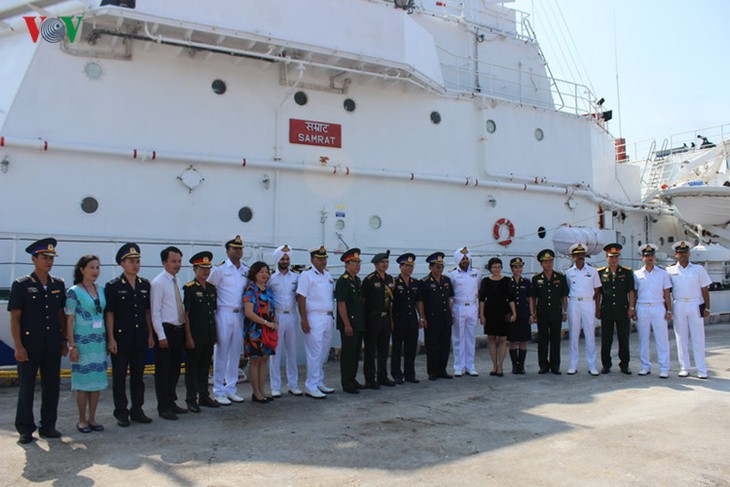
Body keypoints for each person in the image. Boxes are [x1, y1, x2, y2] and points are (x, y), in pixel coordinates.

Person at [8, 238, 67, 444]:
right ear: (34, 259)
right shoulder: (21, 285)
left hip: (51, 344)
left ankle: (48, 425)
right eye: (44, 257)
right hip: (29, 346)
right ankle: (25, 428)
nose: (48, 262)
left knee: (52, 387)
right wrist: (18, 346)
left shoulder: (58, 284)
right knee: (27, 387)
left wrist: (64, 340)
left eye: (51, 258)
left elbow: (60, 314)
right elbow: (15, 318)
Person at [104, 243, 154, 427]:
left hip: (139, 337)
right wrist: (111, 338)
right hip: (121, 338)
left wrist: (150, 334)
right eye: (131, 261)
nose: (135, 265)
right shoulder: (113, 286)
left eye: (138, 261)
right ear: (122, 263)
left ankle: (137, 409)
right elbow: (110, 314)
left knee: (138, 377)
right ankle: (121, 412)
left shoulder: (144, 285)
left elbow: (146, 311)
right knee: (119, 377)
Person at [66, 255, 108, 433]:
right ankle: (82, 419)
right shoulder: (73, 291)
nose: (95, 271)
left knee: (96, 382)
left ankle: (93, 418)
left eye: (97, 267)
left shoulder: (101, 289)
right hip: (82, 343)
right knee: (83, 383)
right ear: (82, 269)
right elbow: (69, 320)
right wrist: (72, 346)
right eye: (91, 267)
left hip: (98, 342)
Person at [207, 235, 248, 405]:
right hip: (223, 313)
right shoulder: (220, 270)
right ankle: (218, 390)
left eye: (240, 248)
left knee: (234, 353)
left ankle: (231, 389)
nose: (238, 251)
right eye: (234, 248)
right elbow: (209, 289)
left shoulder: (246, 270)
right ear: (227, 250)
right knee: (221, 353)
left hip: (240, 314)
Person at [150, 246, 188, 420]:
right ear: (164, 262)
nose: (177, 264)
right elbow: (155, 311)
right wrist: (161, 336)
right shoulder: (158, 283)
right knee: (163, 371)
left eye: (179, 261)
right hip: (166, 331)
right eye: (173, 261)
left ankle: (171, 401)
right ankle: (163, 406)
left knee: (174, 370)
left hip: (178, 329)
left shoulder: (176, 281)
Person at [666, 240, 712, 379]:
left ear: (689, 254)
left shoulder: (698, 269)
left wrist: (707, 308)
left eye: (685, 252)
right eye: (680, 253)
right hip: (679, 304)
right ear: (675, 255)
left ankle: (701, 369)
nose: (683, 255)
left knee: (698, 338)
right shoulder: (670, 270)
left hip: (695, 304)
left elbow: (705, 289)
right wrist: (668, 309)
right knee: (681, 338)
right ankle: (684, 367)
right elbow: (666, 292)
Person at [296, 246, 336, 399]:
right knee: (314, 353)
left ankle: (319, 381)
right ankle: (310, 385)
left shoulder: (327, 275)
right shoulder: (307, 275)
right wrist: (304, 319)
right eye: (319, 258)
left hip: (327, 317)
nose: (322, 261)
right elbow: (301, 297)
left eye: (324, 258)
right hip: (313, 317)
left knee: (323, 352)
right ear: (312, 259)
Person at [183, 251, 220, 413]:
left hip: (208, 335)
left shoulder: (212, 288)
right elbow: (186, 314)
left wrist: (215, 334)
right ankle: (191, 399)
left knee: (205, 368)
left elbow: (213, 312)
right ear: (194, 269)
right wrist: (188, 337)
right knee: (192, 369)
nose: (205, 271)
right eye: (201, 268)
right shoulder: (189, 289)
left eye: (207, 268)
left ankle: (204, 396)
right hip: (195, 336)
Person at [267, 244, 303, 397]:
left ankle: (293, 384)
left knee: (291, 352)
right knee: (275, 353)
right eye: (282, 258)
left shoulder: (296, 277)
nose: (285, 260)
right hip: (277, 317)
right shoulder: (270, 278)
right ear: (277, 260)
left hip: (292, 315)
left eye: (287, 258)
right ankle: (275, 386)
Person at [633, 243, 672, 379]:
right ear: (642, 258)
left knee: (662, 339)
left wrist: (669, 310)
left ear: (654, 257)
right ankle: (645, 366)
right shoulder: (636, 274)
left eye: (651, 255)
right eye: (646, 256)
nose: (649, 258)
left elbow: (666, 293)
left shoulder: (662, 273)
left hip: (658, 307)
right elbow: (634, 293)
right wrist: (633, 309)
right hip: (642, 307)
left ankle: (664, 367)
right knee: (643, 338)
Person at [596, 243, 636, 375]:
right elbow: (598, 293)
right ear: (606, 257)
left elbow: (631, 291)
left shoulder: (626, 272)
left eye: (616, 257)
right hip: (606, 310)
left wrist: (631, 307)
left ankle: (624, 364)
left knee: (623, 338)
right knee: (606, 339)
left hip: (622, 309)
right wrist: (597, 308)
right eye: (611, 257)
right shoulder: (601, 273)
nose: (613, 260)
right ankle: (606, 364)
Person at [243, 261, 278, 403]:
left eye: (266, 272)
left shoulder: (267, 290)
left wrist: (275, 322)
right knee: (255, 360)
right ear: (254, 274)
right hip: (255, 330)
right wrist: (266, 323)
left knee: (265, 359)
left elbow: (272, 308)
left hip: (268, 329)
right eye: (261, 272)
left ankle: (262, 391)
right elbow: (248, 313)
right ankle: (256, 392)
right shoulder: (251, 290)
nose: (265, 275)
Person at [530, 249, 569, 375]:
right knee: (542, 339)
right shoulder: (536, 279)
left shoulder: (560, 278)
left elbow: (564, 296)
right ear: (541, 264)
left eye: (550, 261)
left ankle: (555, 365)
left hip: (555, 312)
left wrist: (565, 312)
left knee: (555, 339)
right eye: (545, 261)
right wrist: (533, 313)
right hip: (542, 312)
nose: (548, 264)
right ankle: (543, 365)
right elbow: (533, 297)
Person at [417, 252, 454, 381]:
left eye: (441, 267)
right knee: (432, 346)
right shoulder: (424, 282)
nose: (440, 269)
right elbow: (420, 301)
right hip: (432, 318)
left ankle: (442, 370)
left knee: (445, 345)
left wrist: (451, 313)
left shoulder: (446, 281)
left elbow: (449, 298)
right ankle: (432, 371)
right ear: (430, 268)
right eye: (437, 267)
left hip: (445, 317)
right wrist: (422, 317)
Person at [565, 243, 601, 376]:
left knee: (590, 335)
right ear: (573, 256)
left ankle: (592, 365)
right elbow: (568, 288)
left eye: (582, 254)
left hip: (588, 303)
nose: (580, 257)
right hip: (574, 303)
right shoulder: (568, 273)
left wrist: (597, 308)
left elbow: (597, 291)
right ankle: (573, 365)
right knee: (573, 334)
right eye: (577, 255)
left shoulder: (593, 271)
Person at [361, 250, 396, 388]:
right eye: (382, 262)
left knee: (384, 349)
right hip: (373, 318)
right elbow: (363, 301)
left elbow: (392, 303)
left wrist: (391, 320)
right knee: (370, 350)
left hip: (386, 318)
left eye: (387, 262)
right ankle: (370, 379)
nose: (385, 264)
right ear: (376, 264)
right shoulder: (369, 280)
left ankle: (383, 377)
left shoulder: (390, 280)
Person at [335, 248, 366, 394]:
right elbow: (341, 304)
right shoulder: (343, 281)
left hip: (358, 323)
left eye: (358, 262)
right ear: (346, 264)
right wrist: (346, 324)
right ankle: (347, 382)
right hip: (349, 323)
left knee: (355, 353)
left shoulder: (357, 280)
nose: (357, 265)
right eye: (354, 262)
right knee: (348, 354)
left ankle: (352, 378)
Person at [479, 257, 516, 377]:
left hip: (503, 312)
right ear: (490, 268)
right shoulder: (485, 281)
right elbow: (482, 299)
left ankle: (501, 366)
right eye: (494, 267)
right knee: (492, 339)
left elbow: (511, 299)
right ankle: (494, 365)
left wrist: (514, 313)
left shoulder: (506, 280)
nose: (496, 269)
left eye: (499, 266)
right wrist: (482, 314)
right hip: (490, 312)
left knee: (503, 339)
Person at [448, 247, 481, 377]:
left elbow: (478, 290)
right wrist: (451, 311)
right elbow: (450, 295)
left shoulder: (477, 273)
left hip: (472, 307)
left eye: (467, 258)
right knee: (458, 338)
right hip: (458, 307)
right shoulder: (452, 275)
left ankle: (470, 365)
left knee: (471, 338)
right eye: (463, 258)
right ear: (458, 260)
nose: (465, 260)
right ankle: (458, 366)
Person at [391, 253, 422, 384]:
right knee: (397, 349)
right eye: (407, 266)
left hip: (412, 320)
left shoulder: (415, 283)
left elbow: (418, 301)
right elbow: (390, 304)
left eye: (411, 266)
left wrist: (421, 317)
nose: (409, 268)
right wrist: (391, 321)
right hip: (398, 320)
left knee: (411, 349)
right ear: (400, 267)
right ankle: (397, 374)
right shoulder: (394, 283)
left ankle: (410, 373)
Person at [507, 258, 533, 374]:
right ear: (511, 269)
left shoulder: (526, 282)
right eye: (516, 267)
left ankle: (521, 365)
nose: (518, 269)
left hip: (524, 313)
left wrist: (532, 314)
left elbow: (530, 299)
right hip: (512, 314)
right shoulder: (508, 282)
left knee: (523, 340)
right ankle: (514, 365)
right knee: (512, 340)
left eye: (520, 267)